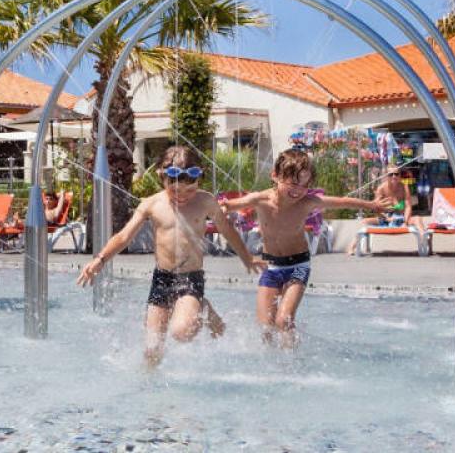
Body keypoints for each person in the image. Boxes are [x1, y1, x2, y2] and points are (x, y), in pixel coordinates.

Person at [77, 145, 265, 368]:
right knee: (152, 350)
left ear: (199, 179)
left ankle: (203, 307)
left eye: (189, 189)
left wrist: (247, 258)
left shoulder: (205, 202)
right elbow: (124, 236)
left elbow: (228, 231)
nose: (182, 196)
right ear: (161, 177)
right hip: (162, 278)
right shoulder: (151, 204)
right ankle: (150, 392)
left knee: (181, 333)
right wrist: (99, 260)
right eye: (175, 190)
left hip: (190, 278)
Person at [223, 149, 392, 346]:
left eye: (305, 185)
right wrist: (223, 207)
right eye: (294, 183)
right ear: (275, 176)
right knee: (265, 325)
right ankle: (271, 365)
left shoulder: (307, 202)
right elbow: (234, 204)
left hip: (298, 266)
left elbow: (343, 201)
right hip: (271, 267)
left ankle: (292, 362)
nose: (298, 190)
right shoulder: (260, 199)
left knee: (283, 320)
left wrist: (372, 205)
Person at [347, 164, 426, 255]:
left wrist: (406, 220)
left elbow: (408, 206)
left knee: (418, 219)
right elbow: (375, 207)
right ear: (386, 176)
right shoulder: (381, 189)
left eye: (396, 174)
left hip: (401, 218)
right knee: (365, 222)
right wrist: (386, 218)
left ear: (400, 175)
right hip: (384, 219)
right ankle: (351, 247)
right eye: (390, 174)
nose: (394, 176)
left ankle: (424, 242)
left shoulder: (404, 187)